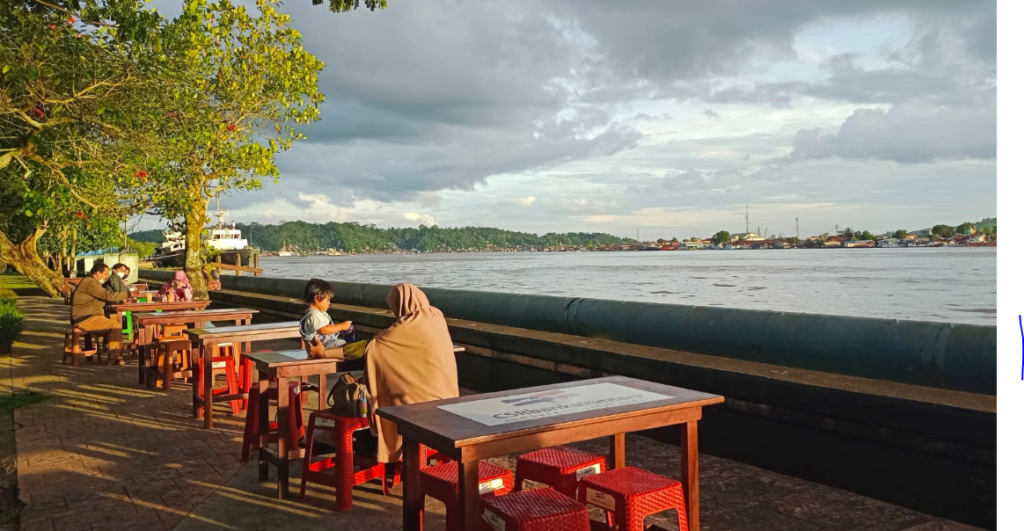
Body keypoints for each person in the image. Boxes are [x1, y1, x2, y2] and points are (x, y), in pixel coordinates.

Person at [360, 283, 459, 463]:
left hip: (420, 407)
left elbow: (377, 345)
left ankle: (397, 454)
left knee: (382, 395)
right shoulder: (437, 317)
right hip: (449, 399)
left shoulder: (408, 325)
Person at [71, 262, 135, 364]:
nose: (107, 276)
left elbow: (104, 297)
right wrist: (129, 294)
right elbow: (107, 295)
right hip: (85, 318)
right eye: (105, 274)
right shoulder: (90, 283)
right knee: (115, 326)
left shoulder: (91, 281)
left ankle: (110, 348)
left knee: (112, 319)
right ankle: (114, 357)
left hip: (90, 315)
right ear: (98, 273)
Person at [300, 279, 365, 360]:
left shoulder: (314, 315)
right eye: (328, 300)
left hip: (326, 343)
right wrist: (342, 326)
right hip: (324, 346)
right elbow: (324, 330)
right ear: (317, 298)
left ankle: (347, 341)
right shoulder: (314, 316)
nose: (329, 303)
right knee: (345, 347)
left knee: (345, 342)